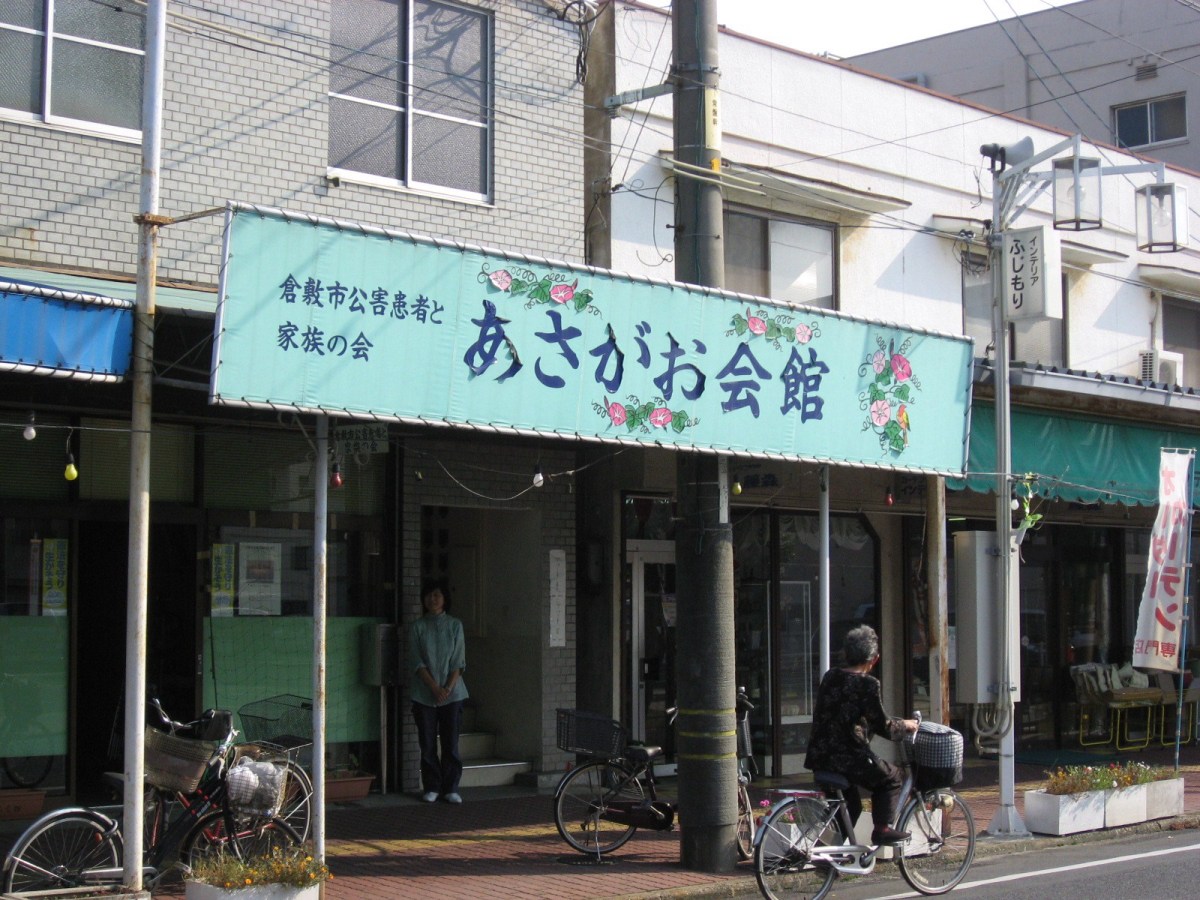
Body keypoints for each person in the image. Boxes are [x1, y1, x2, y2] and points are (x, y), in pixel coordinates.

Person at [804, 624, 919, 845]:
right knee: (892, 778)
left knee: (850, 807)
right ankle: (882, 830)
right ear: (874, 660)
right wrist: (905, 725)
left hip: (820, 756)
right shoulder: (867, 684)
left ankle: (825, 855)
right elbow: (884, 726)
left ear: (846, 654)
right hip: (848, 758)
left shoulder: (831, 676)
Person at [410, 578, 468, 804]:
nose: (432, 599)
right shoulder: (418, 627)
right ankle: (432, 786)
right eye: (428, 595)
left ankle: (451, 787)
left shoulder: (455, 625)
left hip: (453, 694)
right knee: (427, 744)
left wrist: (447, 688)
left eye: (437, 595)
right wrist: (434, 688)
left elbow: (458, 662)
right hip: (424, 694)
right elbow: (417, 662)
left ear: (445, 599)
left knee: (450, 743)